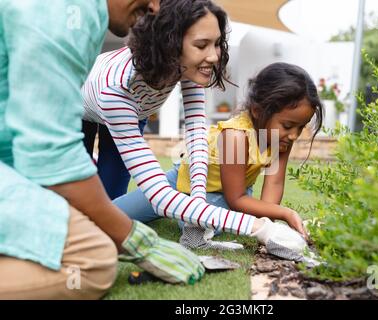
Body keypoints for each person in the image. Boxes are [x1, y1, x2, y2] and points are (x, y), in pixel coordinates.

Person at [0, 0, 205, 300]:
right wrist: (136, 240)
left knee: (91, 215)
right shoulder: (66, 15)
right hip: (87, 113)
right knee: (93, 260)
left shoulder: (93, 14)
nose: (154, 7)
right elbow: (53, 156)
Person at [81, 0, 312, 257]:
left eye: (216, 43)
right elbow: (159, 195)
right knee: (82, 202)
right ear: (169, 44)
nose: (214, 56)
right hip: (81, 109)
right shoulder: (117, 88)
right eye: (202, 45)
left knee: (111, 199)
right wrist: (261, 229)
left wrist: (197, 210)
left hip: (135, 111)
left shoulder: (186, 68)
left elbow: (197, 141)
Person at [114, 62, 323, 258]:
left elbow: (274, 183)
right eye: (288, 125)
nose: (294, 135)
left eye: (300, 127)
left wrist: (267, 223)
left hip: (227, 193)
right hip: (182, 185)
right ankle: (183, 213)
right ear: (259, 111)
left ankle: (187, 215)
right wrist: (285, 213)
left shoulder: (281, 137)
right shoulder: (236, 137)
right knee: (115, 214)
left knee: (218, 221)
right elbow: (237, 199)